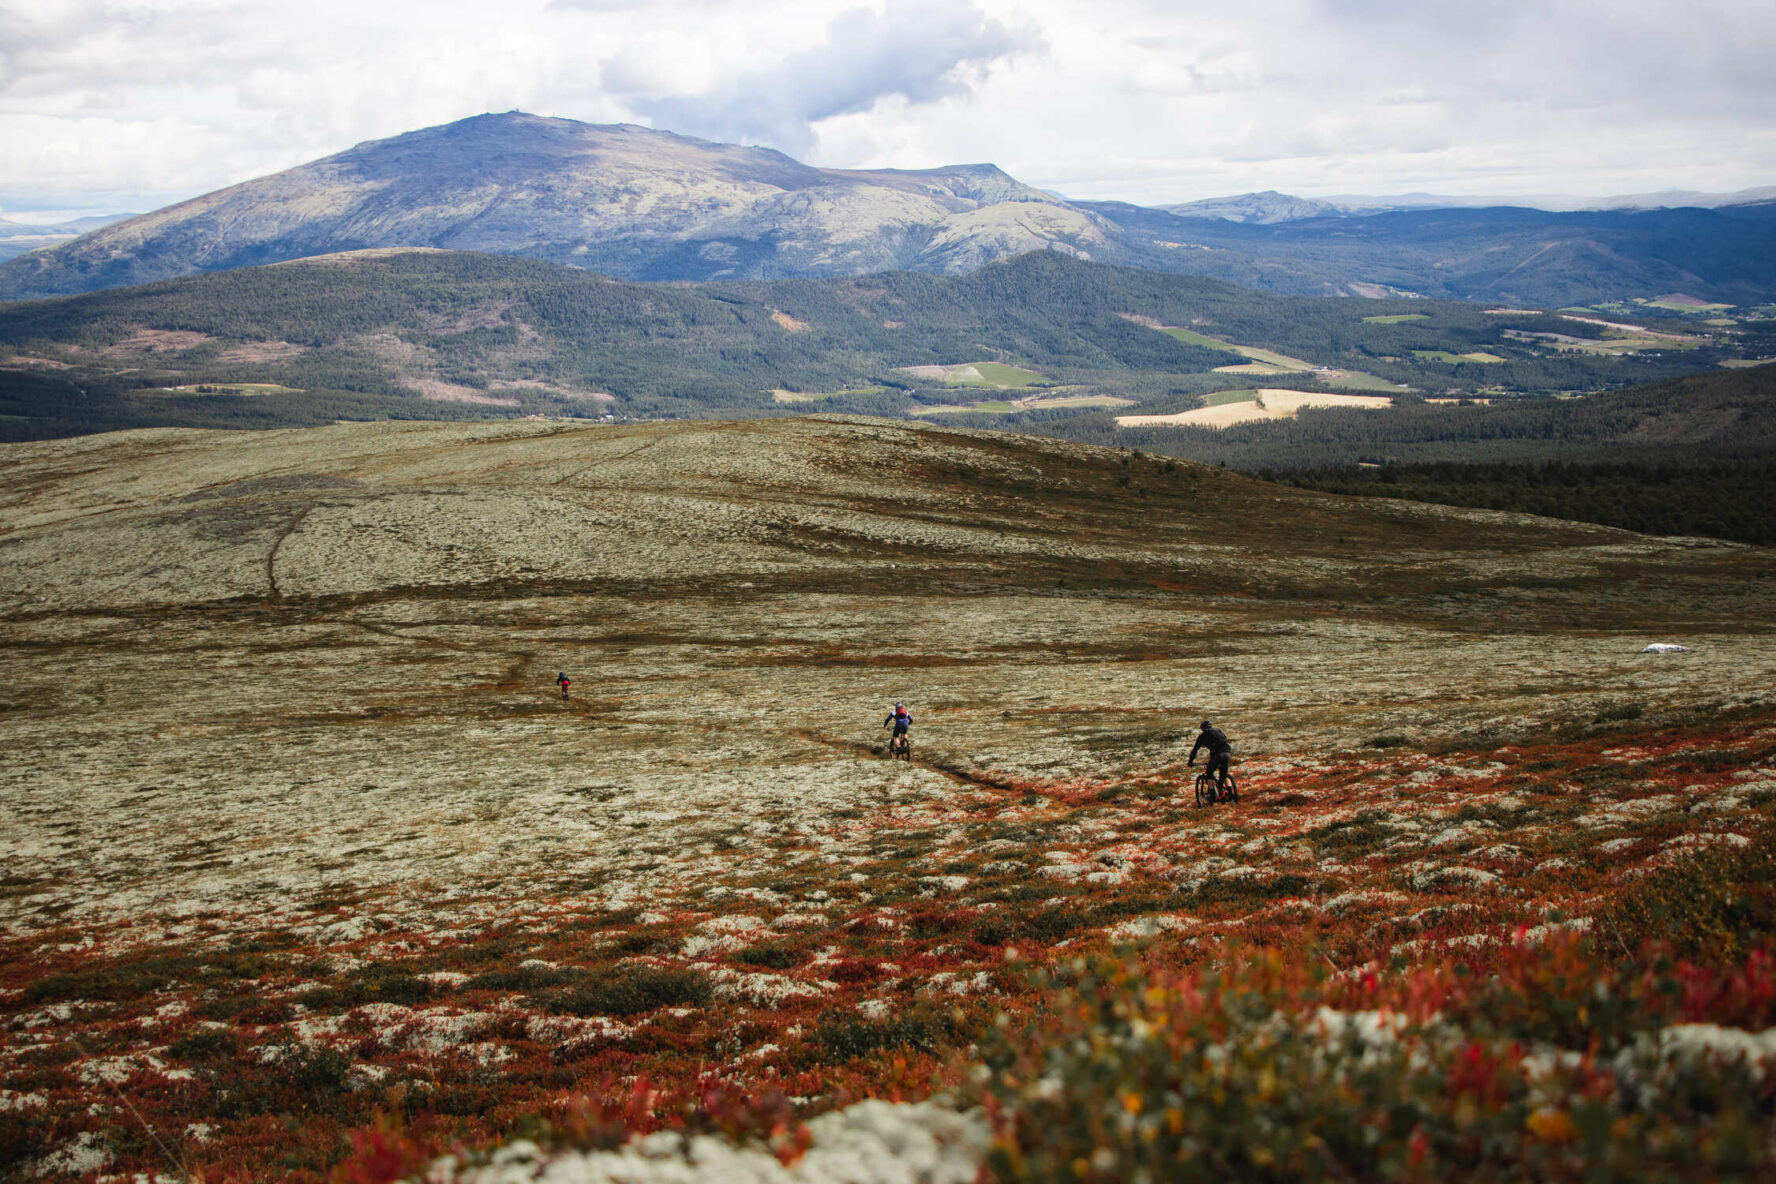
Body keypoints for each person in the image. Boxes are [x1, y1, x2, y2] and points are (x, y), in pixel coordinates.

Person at [1187, 718, 1232, 793]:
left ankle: (1212, 794)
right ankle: (1230, 792)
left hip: (1217, 756)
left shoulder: (1202, 736)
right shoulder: (1219, 731)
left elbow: (1195, 750)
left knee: (1209, 773)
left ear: (1202, 729)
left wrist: (1190, 761)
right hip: (1227, 753)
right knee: (1224, 774)